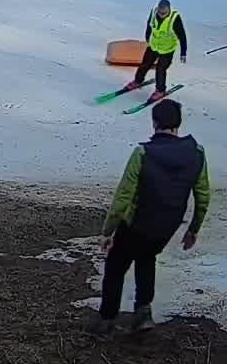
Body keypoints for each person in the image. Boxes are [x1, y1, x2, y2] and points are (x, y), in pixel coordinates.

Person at [89, 97, 211, 337]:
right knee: (146, 257)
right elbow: (203, 196)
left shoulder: (143, 154)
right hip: (167, 225)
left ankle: (106, 320)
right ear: (178, 123)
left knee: (115, 266)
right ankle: (143, 312)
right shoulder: (196, 152)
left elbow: (123, 197)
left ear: (154, 123)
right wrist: (193, 229)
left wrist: (108, 231)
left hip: (136, 223)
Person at [134, 0, 188, 94]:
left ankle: (160, 90)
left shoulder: (174, 18)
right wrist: (147, 37)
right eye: (160, 12)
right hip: (154, 46)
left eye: (164, 13)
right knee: (144, 64)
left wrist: (183, 53)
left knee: (160, 70)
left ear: (168, 10)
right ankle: (137, 81)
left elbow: (182, 36)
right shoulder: (154, 12)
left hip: (167, 50)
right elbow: (149, 24)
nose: (161, 14)